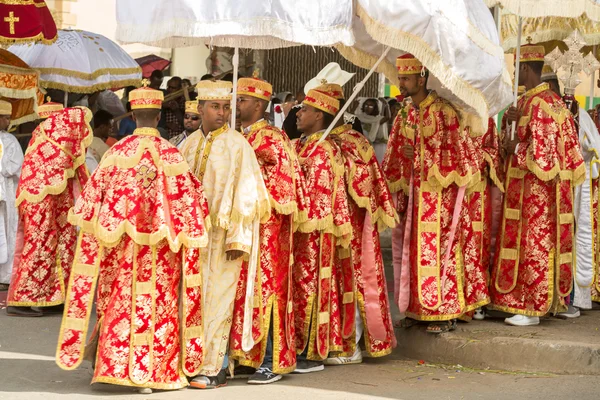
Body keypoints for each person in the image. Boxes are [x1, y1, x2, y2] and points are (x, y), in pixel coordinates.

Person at [55, 81, 210, 394]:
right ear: (157, 116)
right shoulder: (173, 157)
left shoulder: (114, 155)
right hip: (163, 252)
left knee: (121, 304)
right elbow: (196, 203)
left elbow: (87, 203)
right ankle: (157, 372)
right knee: (160, 306)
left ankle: (114, 367)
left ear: (134, 115)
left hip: (121, 250)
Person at [382, 54, 485, 333]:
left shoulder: (444, 112)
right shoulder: (405, 112)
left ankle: (444, 311)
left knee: (440, 253)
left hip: (441, 199)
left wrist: (417, 154)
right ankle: (417, 309)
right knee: (411, 253)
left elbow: (457, 155)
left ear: (421, 78)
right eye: (400, 78)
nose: (401, 84)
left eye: (406, 79)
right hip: (414, 196)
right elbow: (393, 153)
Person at [180, 80, 270, 389]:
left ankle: (214, 367)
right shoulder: (188, 144)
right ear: (201, 108)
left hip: (223, 238)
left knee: (218, 301)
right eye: (215, 107)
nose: (222, 113)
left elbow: (248, 195)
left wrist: (238, 238)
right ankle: (186, 361)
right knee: (192, 301)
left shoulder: (237, 145)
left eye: (226, 108)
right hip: (193, 240)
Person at [489, 44, 585, 326]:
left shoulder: (540, 104)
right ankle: (536, 301)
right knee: (534, 245)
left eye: (516, 68)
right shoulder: (544, 102)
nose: (513, 73)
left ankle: (531, 306)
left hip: (536, 193)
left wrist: (515, 146)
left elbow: (544, 156)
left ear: (527, 69)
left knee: (533, 246)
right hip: (534, 191)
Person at [229, 74, 310, 384]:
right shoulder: (238, 137)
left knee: (270, 292)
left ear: (260, 105)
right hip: (242, 229)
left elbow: (284, 187)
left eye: (243, 101)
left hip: (267, 229)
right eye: (236, 100)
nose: (237, 106)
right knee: (243, 294)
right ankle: (247, 355)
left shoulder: (272, 138)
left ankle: (272, 360)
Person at [315, 83, 398, 365]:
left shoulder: (353, 141)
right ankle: (330, 341)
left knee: (356, 282)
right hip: (325, 224)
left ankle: (353, 344)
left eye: (310, 108)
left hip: (352, 225)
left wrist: (337, 159)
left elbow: (366, 180)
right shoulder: (317, 139)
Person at [6, 104, 93, 317]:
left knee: (64, 244)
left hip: (56, 198)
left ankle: (56, 296)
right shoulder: (53, 136)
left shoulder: (46, 134)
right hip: (39, 199)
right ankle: (26, 298)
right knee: (40, 245)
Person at [292, 87, 352, 372]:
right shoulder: (302, 144)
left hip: (315, 232)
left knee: (310, 288)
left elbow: (319, 197)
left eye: (304, 109)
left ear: (319, 115)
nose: (298, 113)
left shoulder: (324, 150)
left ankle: (311, 351)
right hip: (299, 232)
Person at [541, 64, 600, 318]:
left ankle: (573, 297)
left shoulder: (578, 113)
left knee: (575, 238)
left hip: (579, 185)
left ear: (552, 87)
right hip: (555, 184)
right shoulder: (548, 111)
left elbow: (593, 148)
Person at [0, 101, 24, 291]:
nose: (8, 121)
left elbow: (14, 168)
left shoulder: (9, 140)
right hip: (4, 188)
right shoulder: (8, 141)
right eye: (5, 118)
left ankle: (5, 275)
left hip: (6, 191)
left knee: (7, 230)